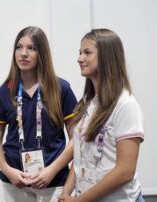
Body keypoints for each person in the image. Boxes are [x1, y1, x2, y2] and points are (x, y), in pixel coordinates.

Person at [0, 26, 77, 202]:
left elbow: (77, 138)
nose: (23, 53)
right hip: (15, 181)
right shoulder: (5, 91)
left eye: (31, 48)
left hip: (53, 180)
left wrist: (51, 170)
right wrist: (8, 170)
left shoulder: (61, 89)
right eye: (19, 47)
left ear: (42, 53)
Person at [59, 29, 145, 202]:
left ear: (107, 57)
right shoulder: (88, 103)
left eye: (87, 53)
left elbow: (125, 171)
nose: (80, 58)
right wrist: (65, 194)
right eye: (80, 52)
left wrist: (80, 200)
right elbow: (80, 156)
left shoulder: (125, 105)